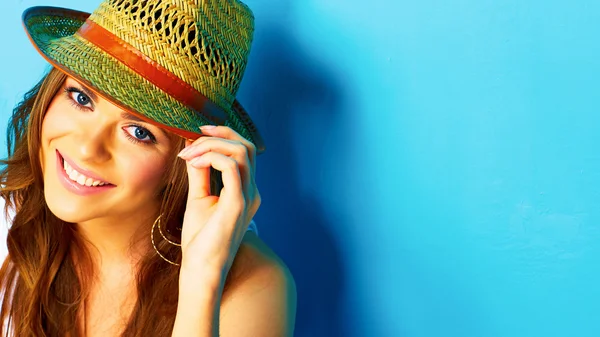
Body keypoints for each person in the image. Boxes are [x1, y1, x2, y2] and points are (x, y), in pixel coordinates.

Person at [0, 0, 296, 336]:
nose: (86, 148)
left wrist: (203, 278)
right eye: (82, 98)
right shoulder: (8, 217)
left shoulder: (252, 282)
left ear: (193, 157)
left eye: (140, 132)